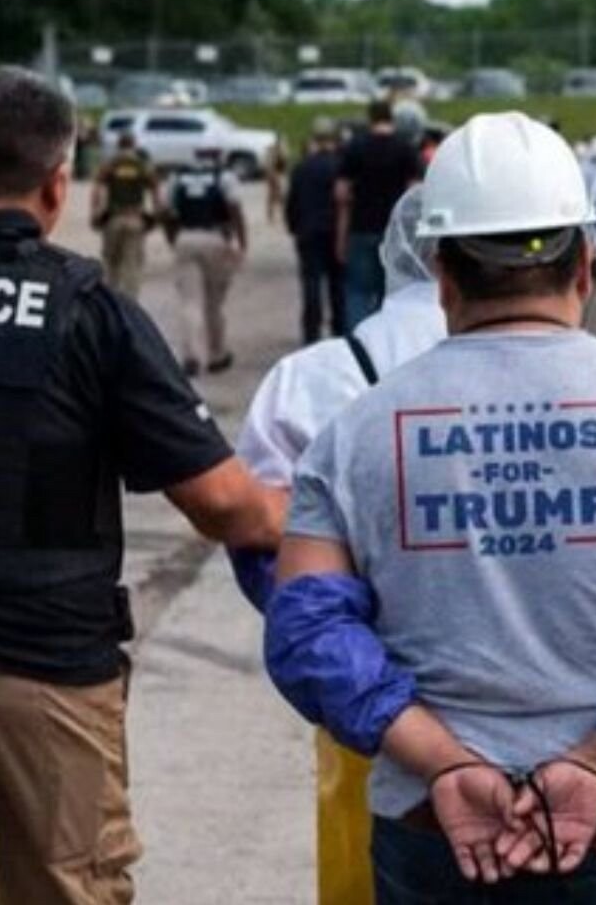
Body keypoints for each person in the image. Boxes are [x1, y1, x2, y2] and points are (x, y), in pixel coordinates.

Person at [264, 112, 596, 902]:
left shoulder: (354, 435)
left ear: (439, 271)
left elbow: (307, 631)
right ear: (585, 262)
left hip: (431, 835)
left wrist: (442, 758)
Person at [0, 67, 287, 905]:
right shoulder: (88, 311)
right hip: (49, 676)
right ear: (58, 183)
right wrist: (320, 518)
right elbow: (223, 505)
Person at [236, 185, 448, 905]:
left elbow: (266, 553)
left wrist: (353, 661)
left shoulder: (308, 378)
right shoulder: (579, 380)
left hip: (368, 712)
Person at [336, 99, 424, 329]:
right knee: (392, 293)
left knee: (358, 292)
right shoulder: (405, 148)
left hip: (361, 227)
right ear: (391, 118)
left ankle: (358, 344)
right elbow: (414, 196)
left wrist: (340, 236)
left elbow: (342, 194)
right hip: (395, 233)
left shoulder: (354, 147)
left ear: (370, 118)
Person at [166, 147, 249, 376]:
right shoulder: (224, 177)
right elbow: (235, 208)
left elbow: (167, 211)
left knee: (190, 302)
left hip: (186, 236)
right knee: (214, 303)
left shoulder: (178, 177)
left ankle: (192, 356)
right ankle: (216, 354)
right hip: (215, 237)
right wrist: (241, 242)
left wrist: (173, 238)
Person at [287, 117, 349, 344]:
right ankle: (339, 331)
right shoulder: (341, 166)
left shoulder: (301, 167)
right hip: (335, 231)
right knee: (338, 285)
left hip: (308, 231)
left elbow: (292, 202)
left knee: (311, 284)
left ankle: (311, 334)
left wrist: (294, 226)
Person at [90, 130, 163, 299]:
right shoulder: (142, 165)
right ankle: (129, 306)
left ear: (118, 145)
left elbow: (97, 190)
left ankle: (110, 303)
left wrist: (95, 214)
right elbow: (156, 191)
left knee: (110, 264)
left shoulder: (110, 164)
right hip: (135, 220)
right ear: (134, 145)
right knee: (132, 267)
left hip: (113, 221)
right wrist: (156, 214)